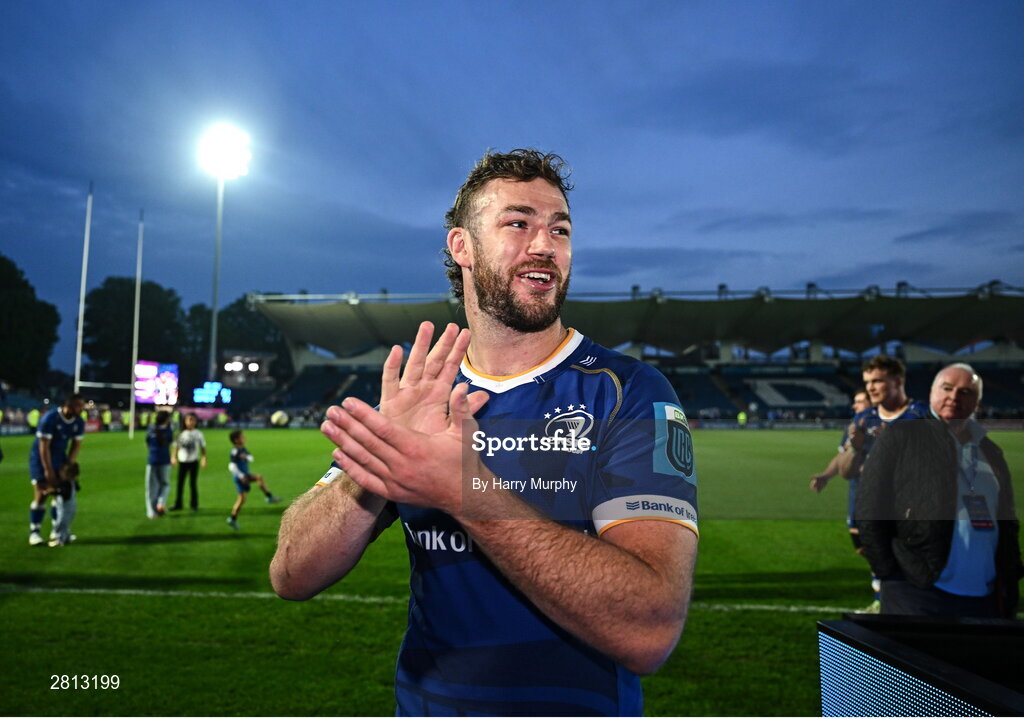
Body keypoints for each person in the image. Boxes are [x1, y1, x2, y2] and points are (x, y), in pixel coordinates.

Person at [270, 149, 699, 716]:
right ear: (462, 247)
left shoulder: (630, 392)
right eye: (518, 223)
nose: (544, 244)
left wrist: (462, 488)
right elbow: (292, 572)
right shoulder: (425, 395)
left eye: (560, 228)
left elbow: (650, 627)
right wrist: (372, 466)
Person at [857, 363, 1022, 617]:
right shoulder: (901, 437)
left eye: (966, 392)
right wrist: (889, 574)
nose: (954, 397)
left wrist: (1010, 577)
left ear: (976, 401)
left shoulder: (991, 451)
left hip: (986, 596)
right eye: (947, 388)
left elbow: (1008, 522)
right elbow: (869, 509)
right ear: (932, 393)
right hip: (918, 592)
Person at [27, 394, 85, 546]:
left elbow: (76, 444)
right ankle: (35, 532)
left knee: (58, 497)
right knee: (41, 495)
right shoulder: (50, 418)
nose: (82, 409)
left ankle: (56, 530)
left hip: (60, 460)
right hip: (40, 460)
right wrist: (48, 471)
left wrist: (68, 464)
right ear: (69, 405)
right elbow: (43, 447)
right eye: (79, 405)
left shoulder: (78, 422)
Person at [226, 429, 281, 530]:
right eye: (242, 437)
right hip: (241, 477)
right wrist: (241, 476)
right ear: (236, 440)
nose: (244, 438)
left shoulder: (242, 449)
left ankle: (232, 519)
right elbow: (231, 466)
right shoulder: (235, 451)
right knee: (257, 478)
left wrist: (246, 457)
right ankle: (269, 497)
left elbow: (251, 458)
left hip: (244, 475)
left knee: (242, 499)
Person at [170, 413, 207, 511]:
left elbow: (203, 447)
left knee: (193, 483)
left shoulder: (198, 433)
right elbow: (176, 447)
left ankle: (194, 504)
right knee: (180, 484)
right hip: (183, 462)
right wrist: (173, 458)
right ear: (185, 421)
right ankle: (178, 504)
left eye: (193, 420)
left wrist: (204, 458)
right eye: (189, 420)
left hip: (193, 461)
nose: (191, 422)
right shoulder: (180, 434)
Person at [145, 410, 173, 518]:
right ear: (166, 419)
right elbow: (169, 442)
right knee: (165, 484)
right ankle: (161, 503)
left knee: (151, 487)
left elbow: (147, 442)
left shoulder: (151, 429)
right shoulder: (168, 430)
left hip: (152, 460)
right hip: (165, 460)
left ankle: (152, 512)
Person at [47, 460, 80, 547]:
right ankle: (67, 537)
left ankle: (59, 541)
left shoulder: (66, 484)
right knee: (65, 524)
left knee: (60, 524)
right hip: (72, 507)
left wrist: (55, 492)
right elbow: (77, 488)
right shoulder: (72, 482)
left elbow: (66, 495)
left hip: (65, 509)